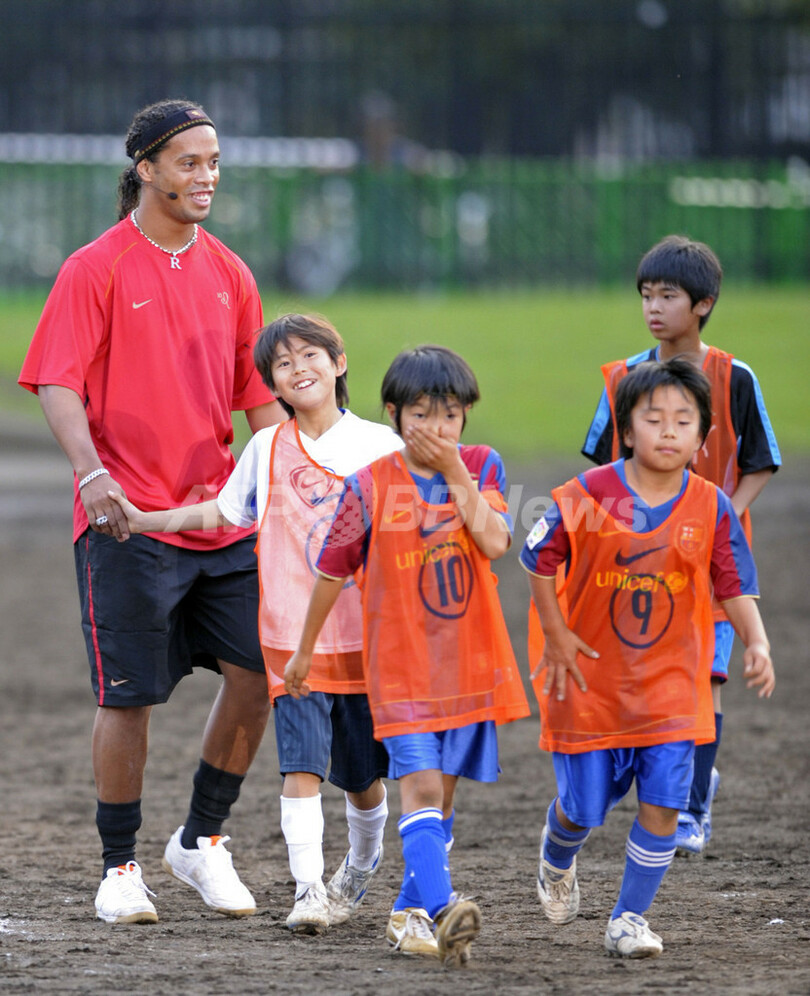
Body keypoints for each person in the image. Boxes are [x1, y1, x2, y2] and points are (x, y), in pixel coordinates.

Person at [18, 99, 287, 925]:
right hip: (126, 520)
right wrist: (91, 473)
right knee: (127, 696)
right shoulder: (94, 268)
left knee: (259, 675)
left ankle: (200, 841)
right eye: (189, 162)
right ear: (146, 168)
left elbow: (260, 401)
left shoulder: (232, 274)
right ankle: (120, 866)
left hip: (218, 518)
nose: (207, 177)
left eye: (214, 162)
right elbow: (57, 381)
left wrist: (294, 479)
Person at [110, 313, 403, 934]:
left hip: (369, 640)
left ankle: (364, 858)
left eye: (310, 356)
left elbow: (415, 532)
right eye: (283, 364)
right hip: (292, 641)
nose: (299, 370)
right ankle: (309, 890)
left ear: (339, 362)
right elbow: (223, 510)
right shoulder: (267, 446)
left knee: (362, 780)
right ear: (271, 384)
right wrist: (146, 520)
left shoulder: (382, 446)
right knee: (300, 769)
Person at [284, 346, 530, 968]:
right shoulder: (367, 486)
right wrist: (304, 652)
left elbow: (495, 540)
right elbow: (331, 574)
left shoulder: (482, 464)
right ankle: (445, 912)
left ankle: (408, 911)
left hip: (468, 665)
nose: (437, 428)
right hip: (399, 668)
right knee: (419, 786)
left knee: (439, 803)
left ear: (466, 415)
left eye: (450, 415)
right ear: (393, 415)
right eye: (421, 414)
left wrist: (454, 472)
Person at [522, 358, 775, 958]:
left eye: (683, 421)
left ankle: (628, 919)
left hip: (671, 687)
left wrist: (759, 642)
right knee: (582, 809)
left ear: (703, 437)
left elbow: (734, 584)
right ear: (627, 430)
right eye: (653, 418)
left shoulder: (711, 505)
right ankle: (557, 855)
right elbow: (537, 558)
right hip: (591, 683)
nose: (668, 430)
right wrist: (555, 633)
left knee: (664, 806)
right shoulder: (589, 493)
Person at [581, 235, 781, 854]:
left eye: (667, 295)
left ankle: (691, 808)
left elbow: (760, 461)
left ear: (703, 304)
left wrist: (722, 520)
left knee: (705, 678)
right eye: (646, 295)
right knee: (647, 671)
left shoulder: (734, 377)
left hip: (711, 562)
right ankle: (666, 781)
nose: (653, 307)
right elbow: (601, 465)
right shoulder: (624, 377)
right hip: (640, 559)